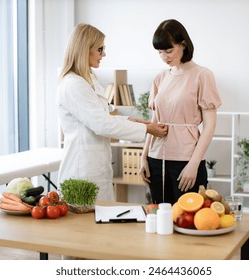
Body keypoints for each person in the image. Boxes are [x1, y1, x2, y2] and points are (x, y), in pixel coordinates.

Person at [57, 23, 168, 202]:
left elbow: (104, 116)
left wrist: (137, 122)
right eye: (100, 49)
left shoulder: (89, 79)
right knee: (83, 227)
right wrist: (146, 130)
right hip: (82, 170)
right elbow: (101, 124)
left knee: (101, 221)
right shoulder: (73, 84)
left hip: (96, 166)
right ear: (85, 50)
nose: (104, 54)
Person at [140, 19, 222, 205]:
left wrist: (193, 164)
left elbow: (210, 126)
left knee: (188, 221)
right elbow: (154, 120)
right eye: (160, 52)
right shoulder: (160, 77)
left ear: (183, 44)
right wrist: (144, 157)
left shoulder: (203, 75)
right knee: (160, 218)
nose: (164, 57)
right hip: (156, 158)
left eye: (168, 51)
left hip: (186, 159)